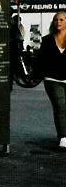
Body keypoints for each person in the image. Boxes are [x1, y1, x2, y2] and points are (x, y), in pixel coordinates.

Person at [36, 11, 66, 149]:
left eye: (61, 20)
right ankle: (63, 137)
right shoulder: (47, 40)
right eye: (56, 20)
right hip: (52, 79)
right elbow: (41, 60)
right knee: (60, 106)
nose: (58, 22)